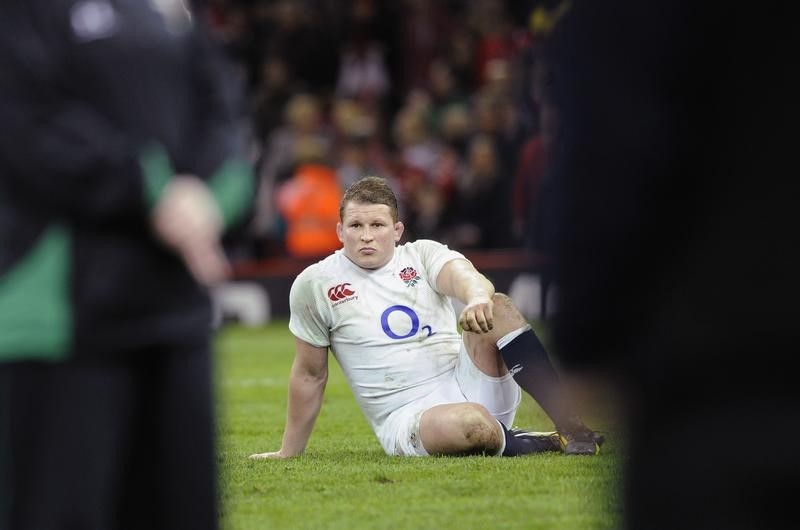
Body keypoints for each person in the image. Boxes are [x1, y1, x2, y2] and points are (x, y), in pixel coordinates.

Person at [0, 1, 253, 529]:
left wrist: (212, 199)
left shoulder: (168, 9)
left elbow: (221, 113)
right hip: (60, 321)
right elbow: (27, 121)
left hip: (174, 316)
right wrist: (152, 189)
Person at [250, 176, 601, 460]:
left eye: (377, 224)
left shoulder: (421, 255)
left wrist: (477, 297)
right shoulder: (315, 284)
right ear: (340, 231)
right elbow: (310, 375)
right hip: (408, 417)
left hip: (468, 380)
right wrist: (288, 452)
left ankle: (571, 427)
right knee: (472, 425)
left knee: (499, 306)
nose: (367, 235)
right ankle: (537, 442)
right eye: (356, 225)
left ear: (397, 230)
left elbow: (463, 275)